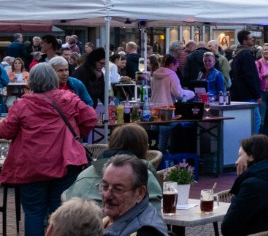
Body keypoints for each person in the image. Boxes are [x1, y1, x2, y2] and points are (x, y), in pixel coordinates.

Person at [0, 63, 97, 236]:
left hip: (32, 166)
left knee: (33, 213)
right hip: (65, 163)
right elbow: (91, 118)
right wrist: (74, 134)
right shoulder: (69, 98)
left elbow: (6, 131)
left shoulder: (22, 105)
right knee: (62, 212)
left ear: (32, 82)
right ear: (53, 79)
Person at [62, 124, 163, 209]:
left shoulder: (85, 174)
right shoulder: (143, 175)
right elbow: (154, 213)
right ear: (142, 147)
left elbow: (67, 195)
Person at [99, 155, 167, 236]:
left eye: (118, 189)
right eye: (105, 186)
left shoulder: (145, 232)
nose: (107, 196)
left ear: (140, 193)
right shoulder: (110, 218)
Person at [230, 30, 263, 133]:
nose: (253, 39)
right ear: (244, 41)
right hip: (248, 95)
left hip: (240, 94)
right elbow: (250, 76)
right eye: (250, 38)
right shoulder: (246, 54)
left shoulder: (237, 54)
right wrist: (257, 95)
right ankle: (253, 145)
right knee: (255, 122)